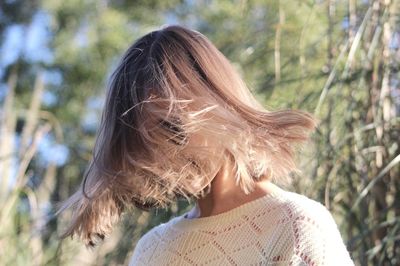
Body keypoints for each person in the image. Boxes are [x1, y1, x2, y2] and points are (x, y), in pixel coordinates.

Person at [56, 25, 354, 265]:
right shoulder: (153, 250)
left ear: (221, 104)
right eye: (145, 144)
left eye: (173, 128)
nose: (166, 155)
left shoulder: (295, 225)